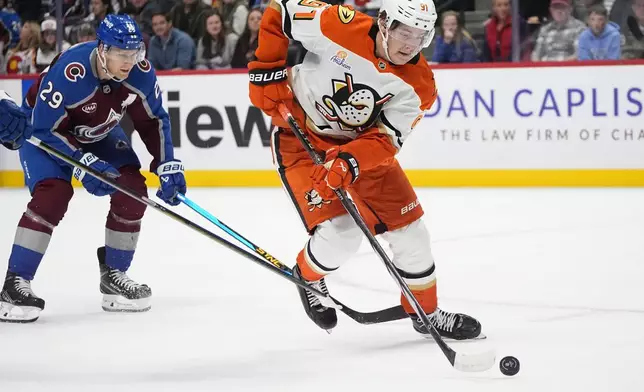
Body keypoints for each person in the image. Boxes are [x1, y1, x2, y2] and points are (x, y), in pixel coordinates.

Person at [248, 0, 482, 340]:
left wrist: (349, 161)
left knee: (412, 233)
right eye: (404, 32)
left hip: (363, 151)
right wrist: (267, 68)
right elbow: (280, 11)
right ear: (384, 22)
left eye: (421, 36)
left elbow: (385, 140)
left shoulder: (420, 85)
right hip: (302, 140)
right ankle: (308, 276)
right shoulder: (336, 25)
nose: (410, 45)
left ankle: (425, 313)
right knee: (341, 233)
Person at [0, 14, 187, 323]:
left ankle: (114, 276)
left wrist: (166, 163)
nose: (130, 62)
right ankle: (14, 284)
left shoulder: (139, 73)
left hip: (97, 132)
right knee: (54, 194)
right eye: (122, 55)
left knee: (132, 191)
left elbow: (153, 120)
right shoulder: (70, 72)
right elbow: (45, 130)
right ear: (103, 50)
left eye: (135, 53)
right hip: (46, 133)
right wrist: (83, 164)